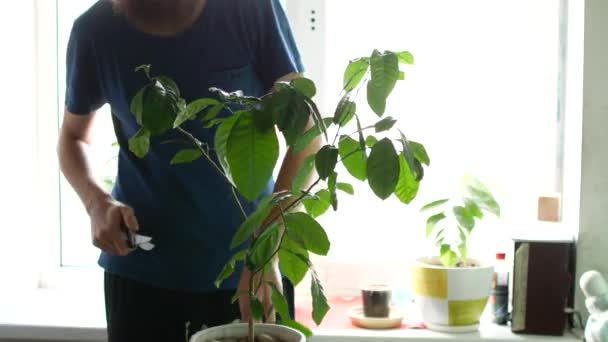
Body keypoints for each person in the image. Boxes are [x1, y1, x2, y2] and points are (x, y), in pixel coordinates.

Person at [56, 0, 317, 341]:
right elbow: (72, 137)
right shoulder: (95, 30)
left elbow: (308, 140)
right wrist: (96, 202)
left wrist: (264, 253)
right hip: (142, 273)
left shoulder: (251, 9)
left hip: (250, 272)